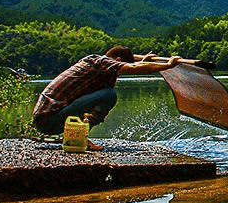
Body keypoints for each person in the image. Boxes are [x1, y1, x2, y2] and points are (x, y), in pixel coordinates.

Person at [33, 45, 183, 146]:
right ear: (117, 60)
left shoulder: (96, 63)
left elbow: (135, 66)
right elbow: (137, 69)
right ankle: (79, 138)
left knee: (106, 91)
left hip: (46, 120)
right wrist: (168, 65)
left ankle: (74, 136)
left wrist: (143, 62)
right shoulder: (102, 62)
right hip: (49, 119)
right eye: (121, 66)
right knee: (109, 95)